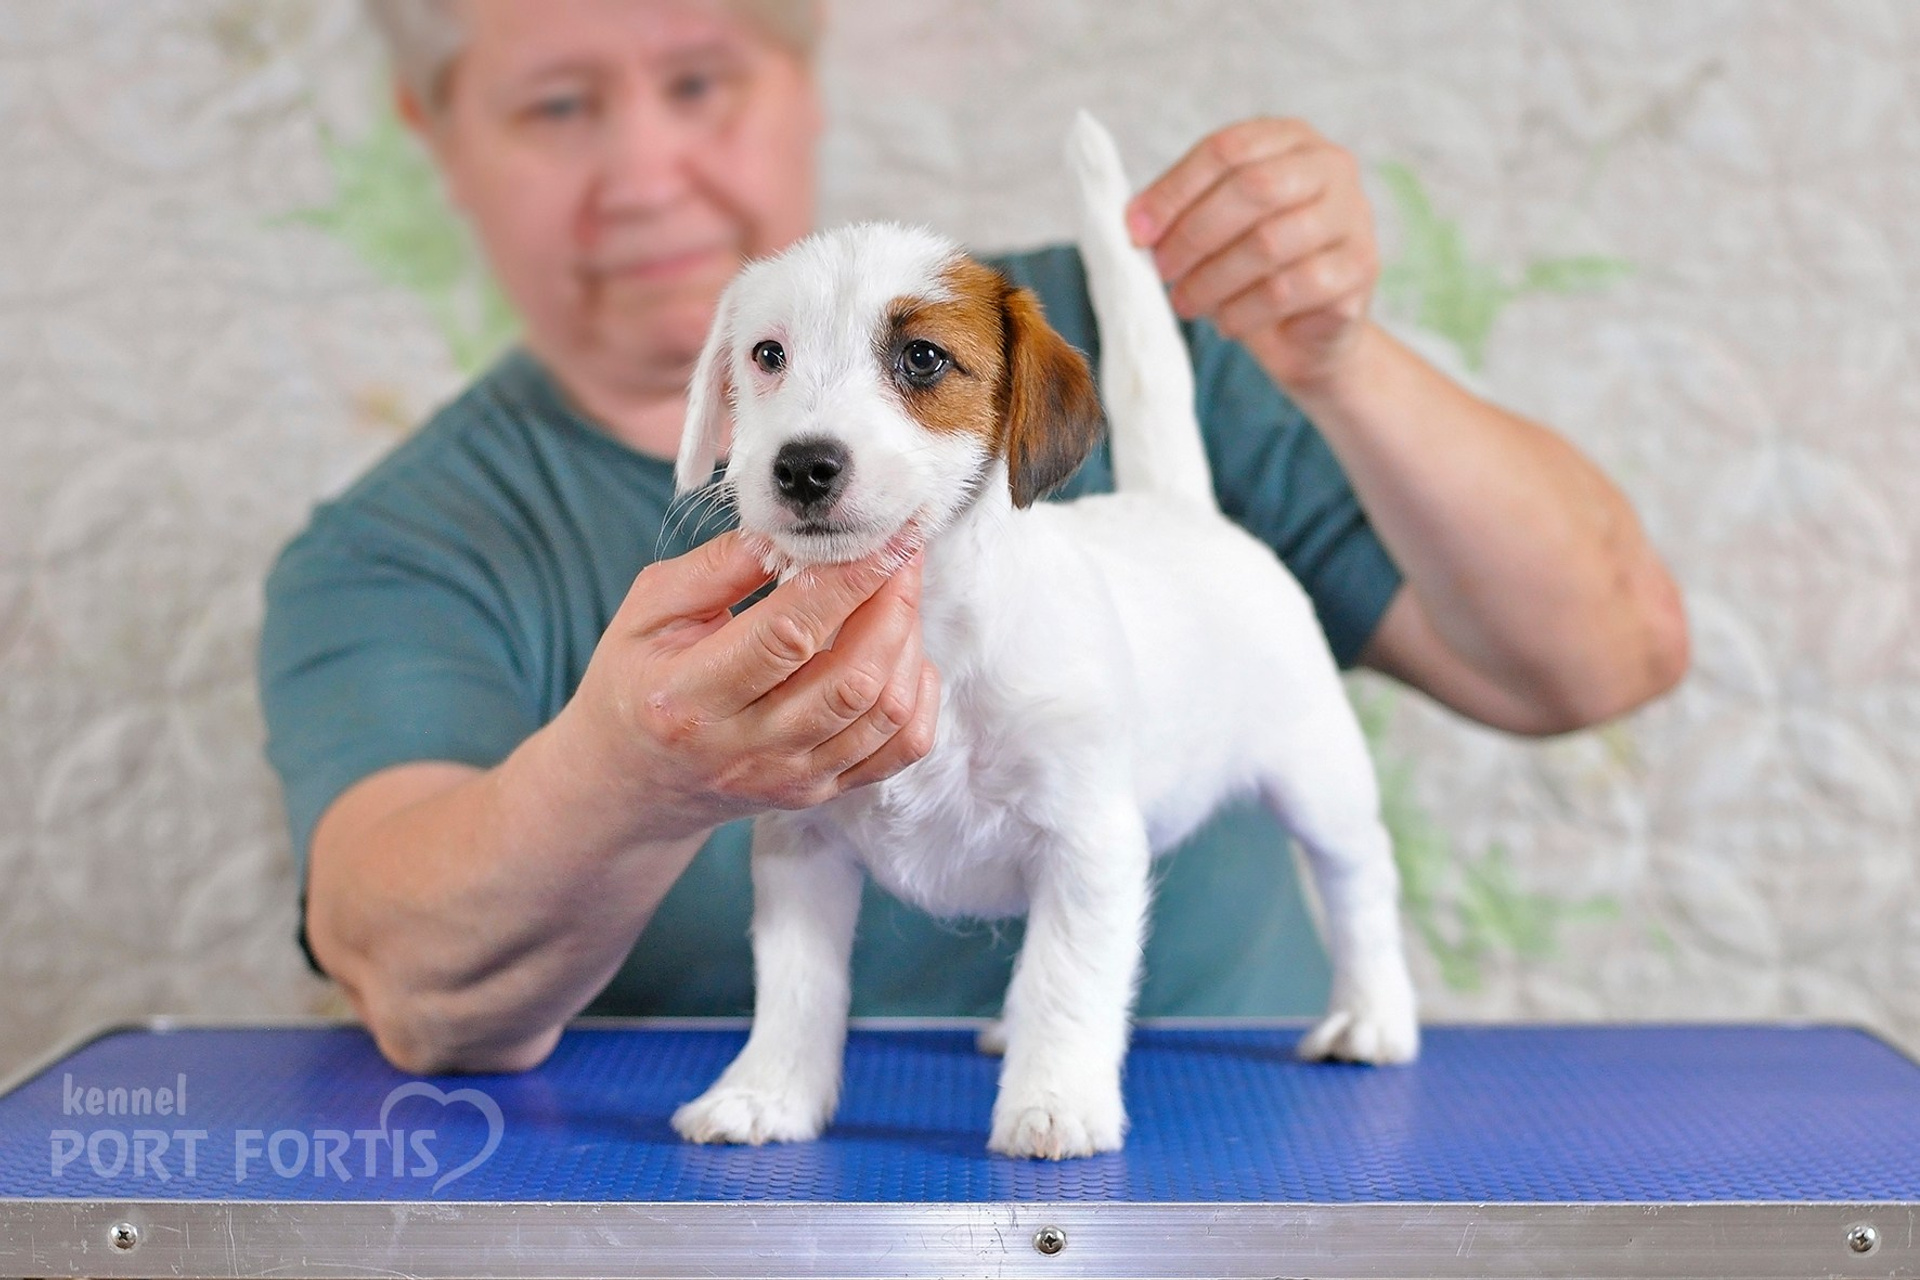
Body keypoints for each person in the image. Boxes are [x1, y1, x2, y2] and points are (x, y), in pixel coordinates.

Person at [260, 0, 1689, 1075]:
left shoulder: (1061, 332)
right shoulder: (399, 546)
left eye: (699, 80)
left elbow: (1603, 659)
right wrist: (631, 773)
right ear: (432, 131)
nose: (645, 170)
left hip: (1221, 1124)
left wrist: (1333, 354)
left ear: (802, 81)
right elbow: (410, 973)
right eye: (557, 105)